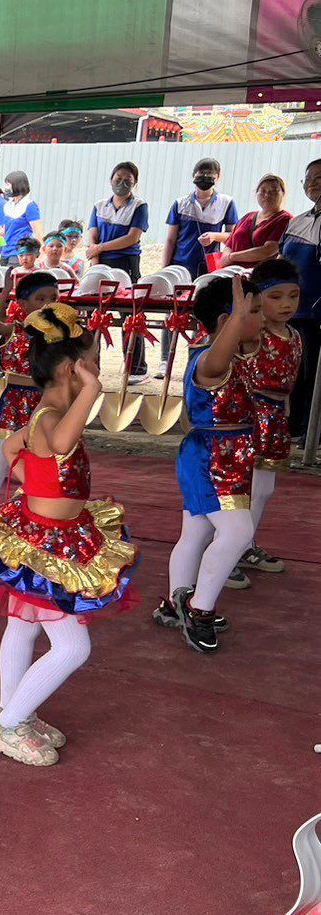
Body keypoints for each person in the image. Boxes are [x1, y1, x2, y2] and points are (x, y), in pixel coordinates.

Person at [0, 304, 137, 766]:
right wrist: (93, 390)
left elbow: (18, 445)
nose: (96, 370)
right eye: (91, 363)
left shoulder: (46, 413)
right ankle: (9, 723)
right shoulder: (52, 419)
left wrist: (17, 457)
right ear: (69, 368)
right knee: (74, 645)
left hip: (59, 533)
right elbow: (59, 444)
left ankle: (14, 708)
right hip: (47, 542)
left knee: (23, 624)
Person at [151, 274, 262, 655]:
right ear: (223, 323)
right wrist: (238, 318)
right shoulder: (210, 361)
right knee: (236, 533)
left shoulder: (231, 356)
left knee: (197, 533)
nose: (260, 319)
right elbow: (223, 350)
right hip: (212, 458)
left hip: (227, 456)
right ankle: (200, 609)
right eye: (254, 312)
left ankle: (172, 602)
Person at [234, 258, 302, 576]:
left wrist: (285, 410)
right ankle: (228, 548)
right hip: (249, 416)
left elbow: (289, 381)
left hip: (275, 419)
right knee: (241, 489)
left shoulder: (295, 336)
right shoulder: (252, 335)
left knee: (264, 489)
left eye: (293, 295)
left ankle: (244, 546)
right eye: (276, 297)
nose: (287, 304)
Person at [0, 272, 61, 500]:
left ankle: (40, 497)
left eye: (53, 298)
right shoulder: (14, 330)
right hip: (16, 400)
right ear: (23, 304)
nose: (48, 304)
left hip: (44, 400)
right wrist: (6, 291)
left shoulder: (57, 335)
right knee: (3, 452)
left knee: (44, 453)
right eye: (40, 298)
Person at [161, 159, 239, 381]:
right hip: (181, 265)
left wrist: (215, 236)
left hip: (209, 268)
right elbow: (170, 239)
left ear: (218, 177)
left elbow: (233, 235)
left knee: (204, 313)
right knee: (173, 312)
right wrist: (165, 269)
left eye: (210, 174)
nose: (205, 177)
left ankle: (197, 356)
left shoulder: (227, 202)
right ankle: (165, 360)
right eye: (201, 173)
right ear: (193, 175)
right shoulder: (180, 203)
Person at [86, 162, 149, 374]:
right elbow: (92, 236)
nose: (122, 184)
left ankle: (136, 368)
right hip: (100, 263)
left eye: (127, 181)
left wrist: (100, 248)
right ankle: (92, 365)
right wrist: (95, 263)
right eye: (118, 179)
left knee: (130, 316)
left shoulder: (139, 206)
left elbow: (132, 238)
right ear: (110, 179)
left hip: (126, 264)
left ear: (135, 184)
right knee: (94, 315)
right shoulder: (99, 205)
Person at [280, 158, 321, 438]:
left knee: (313, 374)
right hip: (291, 312)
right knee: (291, 371)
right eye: (309, 179)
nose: (313, 183)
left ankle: (313, 430)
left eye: (319, 178)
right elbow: (282, 261)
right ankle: (294, 427)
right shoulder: (298, 222)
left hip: (316, 313)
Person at [222, 175, 292, 269]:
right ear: (256, 193)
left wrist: (231, 257)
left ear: (283, 194)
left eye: (274, 191)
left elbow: (267, 251)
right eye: (263, 191)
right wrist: (225, 258)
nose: (267, 195)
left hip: (258, 276)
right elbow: (230, 243)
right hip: (231, 273)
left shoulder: (285, 219)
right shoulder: (248, 216)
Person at [0, 172, 42, 263]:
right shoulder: (8, 205)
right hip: (5, 251)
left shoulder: (29, 206)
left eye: (8, 185)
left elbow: (39, 233)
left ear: (17, 186)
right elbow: (6, 229)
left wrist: (40, 254)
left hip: (19, 253)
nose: (6, 188)